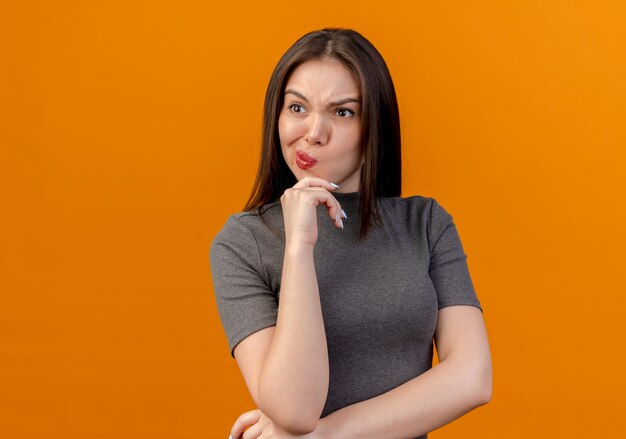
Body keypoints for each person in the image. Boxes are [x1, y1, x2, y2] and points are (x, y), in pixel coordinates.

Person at [210, 28, 492, 439]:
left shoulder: (425, 223)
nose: (313, 132)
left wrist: (322, 436)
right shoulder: (244, 242)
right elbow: (293, 410)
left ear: (373, 126)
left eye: (342, 112)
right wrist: (300, 246)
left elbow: (472, 378)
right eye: (297, 108)